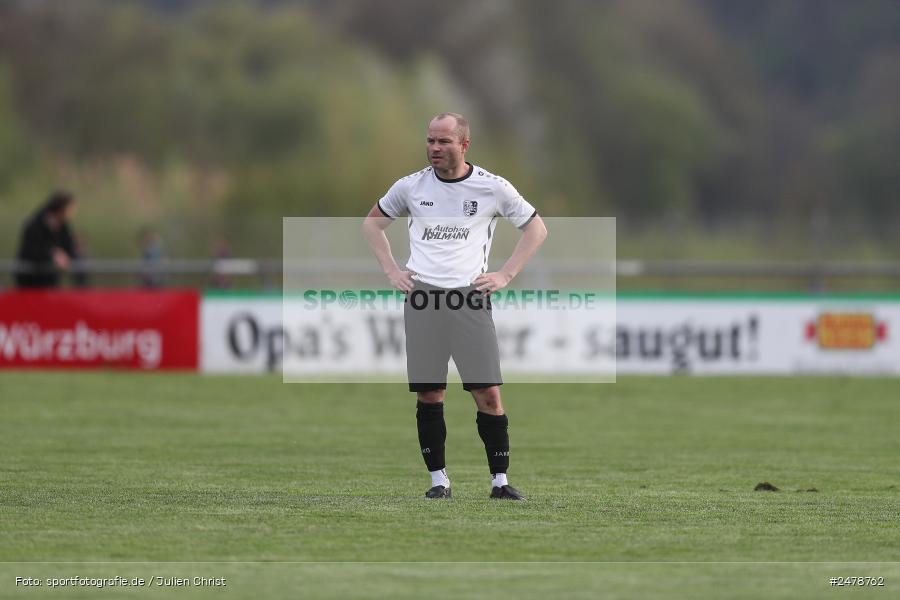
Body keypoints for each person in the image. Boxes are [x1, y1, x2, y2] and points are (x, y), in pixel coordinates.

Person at [363, 112, 548, 500]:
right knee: (430, 394)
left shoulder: (491, 188)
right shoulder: (410, 187)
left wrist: (505, 275)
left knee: (488, 394)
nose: (434, 148)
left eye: (443, 141)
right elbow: (372, 223)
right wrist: (392, 271)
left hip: (469, 298)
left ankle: (500, 482)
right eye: (430, 140)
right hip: (423, 299)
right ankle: (438, 482)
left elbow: (536, 228)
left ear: (464, 145)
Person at [15, 190, 80, 288]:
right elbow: (31, 250)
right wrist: (53, 254)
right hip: (30, 280)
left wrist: (69, 255)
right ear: (61, 208)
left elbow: (68, 246)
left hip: (50, 280)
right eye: (70, 208)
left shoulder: (63, 226)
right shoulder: (35, 224)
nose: (73, 211)